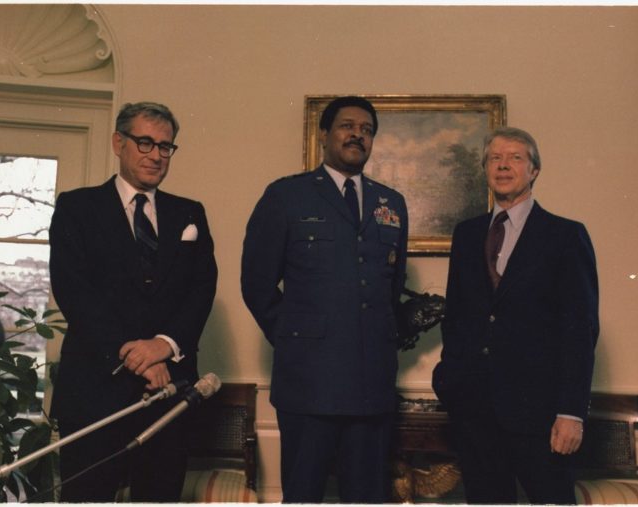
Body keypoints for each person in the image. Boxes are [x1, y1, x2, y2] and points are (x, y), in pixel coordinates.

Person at [241, 96, 408, 503]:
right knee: (303, 494)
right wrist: (296, 337)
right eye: (347, 126)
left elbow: (391, 286)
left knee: (367, 497)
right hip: (308, 382)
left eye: (367, 130)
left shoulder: (392, 203)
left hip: (371, 381)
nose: (357, 135)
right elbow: (256, 283)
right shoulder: (287, 196)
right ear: (324, 135)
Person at [49, 102, 218, 502]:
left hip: (169, 394)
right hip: (94, 391)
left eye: (166, 146)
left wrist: (164, 346)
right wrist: (134, 354)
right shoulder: (77, 207)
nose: (157, 155)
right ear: (118, 143)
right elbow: (74, 291)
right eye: (145, 143)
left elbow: (202, 288)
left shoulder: (189, 213)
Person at [432, 126, 599, 504]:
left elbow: (580, 328)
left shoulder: (565, 235)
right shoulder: (467, 234)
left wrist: (571, 412)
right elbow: (456, 315)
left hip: (541, 414)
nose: (503, 165)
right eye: (495, 158)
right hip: (474, 411)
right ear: (485, 169)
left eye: (515, 158)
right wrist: (450, 378)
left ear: (534, 170)